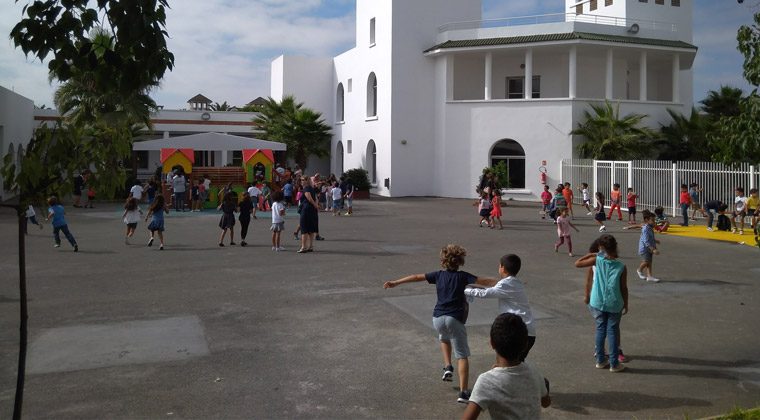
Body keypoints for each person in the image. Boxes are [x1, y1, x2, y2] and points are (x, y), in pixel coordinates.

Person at [383, 244, 497, 404]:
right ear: (460, 261)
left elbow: (416, 276)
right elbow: (482, 281)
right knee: (462, 356)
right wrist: (500, 281)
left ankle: (447, 366)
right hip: (454, 318)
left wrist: (396, 282)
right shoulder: (463, 276)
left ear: (443, 261)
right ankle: (464, 392)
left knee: (444, 339)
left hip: (437, 317)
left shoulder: (438, 275)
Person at [462, 314, 551, 420]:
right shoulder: (534, 371)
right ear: (525, 345)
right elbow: (546, 402)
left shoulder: (487, 381)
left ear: (492, 343)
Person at [464, 254, 536, 361]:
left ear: (502, 268)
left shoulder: (506, 284)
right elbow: (493, 288)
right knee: (516, 363)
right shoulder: (515, 283)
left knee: (510, 364)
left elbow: (485, 293)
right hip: (527, 330)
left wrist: (465, 290)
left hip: (519, 331)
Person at [575, 234, 628, 372]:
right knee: (612, 331)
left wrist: (590, 254)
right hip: (614, 302)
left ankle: (600, 360)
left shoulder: (597, 260)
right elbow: (624, 288)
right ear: (615, 247)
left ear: (601, 248)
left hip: (597, 301)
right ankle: (614, 363)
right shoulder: (621, 266)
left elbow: (577, 263)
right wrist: (626, 303)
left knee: (600, 329)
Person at [637, 210, 660, 283]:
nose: (654, 222)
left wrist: (655, 240)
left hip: (649, 248)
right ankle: (639, 270)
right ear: (647, 220)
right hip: (645, 248)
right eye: (652, 220)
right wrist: (653, 249)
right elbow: (646, 241)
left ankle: (649, 276)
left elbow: (649, 238)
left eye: (654, 220)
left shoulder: (649, 227)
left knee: (649, 262)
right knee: (646, 261)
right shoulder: (645, 229)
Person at [297, 177, 320, 253]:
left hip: (306, 210)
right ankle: (310, 246)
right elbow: (316, 198)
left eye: (303, 180)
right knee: (311, 229)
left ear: (307, 181)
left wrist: (315, 205)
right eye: (301, 180)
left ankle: (303, 247)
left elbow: (309, 198)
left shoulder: (306, 189)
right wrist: (316, 205)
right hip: (312, 210)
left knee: (304, 228)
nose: (301, 181)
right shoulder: (311, 188)